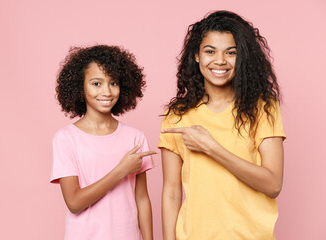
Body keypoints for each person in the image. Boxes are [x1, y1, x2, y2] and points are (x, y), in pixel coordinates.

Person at [159, 10, 286, 240]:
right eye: (210, 51)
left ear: (242, 57)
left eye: (231, 53)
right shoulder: (177, 115)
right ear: (196, 56)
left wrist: (211, 147)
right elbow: (171, 192)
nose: (220, 61)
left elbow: (273, 183)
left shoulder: (262, 108)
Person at [51, 45, 156, 240]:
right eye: (96, 83)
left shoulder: (135, 137)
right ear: (79, 86)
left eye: (113, 83)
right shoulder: (66, 138)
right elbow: (74, 202)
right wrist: (121, 170)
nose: (107, 91)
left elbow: (142, 199)